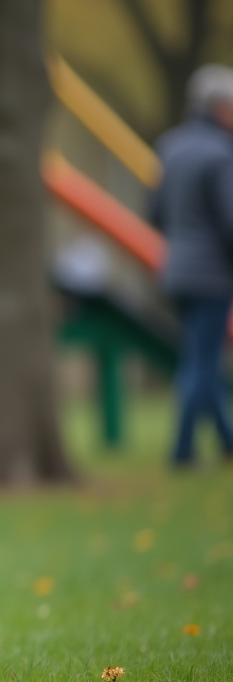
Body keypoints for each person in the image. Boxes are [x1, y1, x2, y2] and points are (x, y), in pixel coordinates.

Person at [151, 64, 233, 466]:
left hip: (175, 269)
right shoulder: (221, 152)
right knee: (201, 362)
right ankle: (182, 450)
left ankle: (226, 440)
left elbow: (156, 211)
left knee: (200, 357)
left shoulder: (171, 146)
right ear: (220, 108)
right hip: (211, 274)